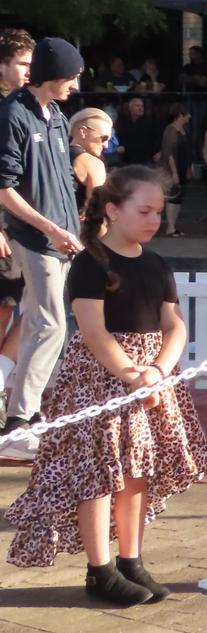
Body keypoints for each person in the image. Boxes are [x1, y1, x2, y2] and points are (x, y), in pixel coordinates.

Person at [3, 165, 207, 603]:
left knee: (137, 473)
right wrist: (130, 374)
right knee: (100, 474)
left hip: (149, 381)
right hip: (99, 381)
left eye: (159, 213)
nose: (154, 221)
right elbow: (94, 330)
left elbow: (173, 325)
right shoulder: (90, 263)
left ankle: (131, 560)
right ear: (113, 210)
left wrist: (157, 371)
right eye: (144, 211)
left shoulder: (157, 265)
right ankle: (99, 569)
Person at [0, 38, 86, 458]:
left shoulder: (55, 115)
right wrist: (51, 228)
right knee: (51, 323)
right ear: (53, 75)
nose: (74, 84)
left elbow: (63, 182)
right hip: (35, 237)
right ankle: (19, 423)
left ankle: (27, 417)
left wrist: (72, 226)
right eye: (70, 76)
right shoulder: (13, 113)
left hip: (60, 237)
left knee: (41, 322)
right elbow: (5, 188)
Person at [0, 28, 33, 426]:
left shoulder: (23, 106)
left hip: (25, 226)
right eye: (22, 63)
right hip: (6, 227)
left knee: (33, 309)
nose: (28, 71)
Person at [68, 108, 113, 212]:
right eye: (104, 138)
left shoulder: (54, 155)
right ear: (83, 132)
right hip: (75, 226)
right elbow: (97, 211)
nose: (106, 145)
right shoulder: (94, 164)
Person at [158, 104, 192, 237]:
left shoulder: (185, 129)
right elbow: (168, 153)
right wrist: (174, 172)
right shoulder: (170, 130)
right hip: (173, 169)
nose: (189, 116)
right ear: (180, 115)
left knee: (179, 197)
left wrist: (189, 167)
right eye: (187, 114)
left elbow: (188, 150)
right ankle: (170, 228)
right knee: (173, 197)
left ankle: (174, 226)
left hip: (184, 168)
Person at [115, 97, 161, 167]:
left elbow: (160, 138)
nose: (141, 108)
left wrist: (160, 152)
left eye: (142, 106)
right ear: (130, 108)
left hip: (146, 161)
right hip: (128, 162)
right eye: (138, 106)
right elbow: (121, 139)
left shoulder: (150, 123)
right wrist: (121, 147)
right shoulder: (125, 124)